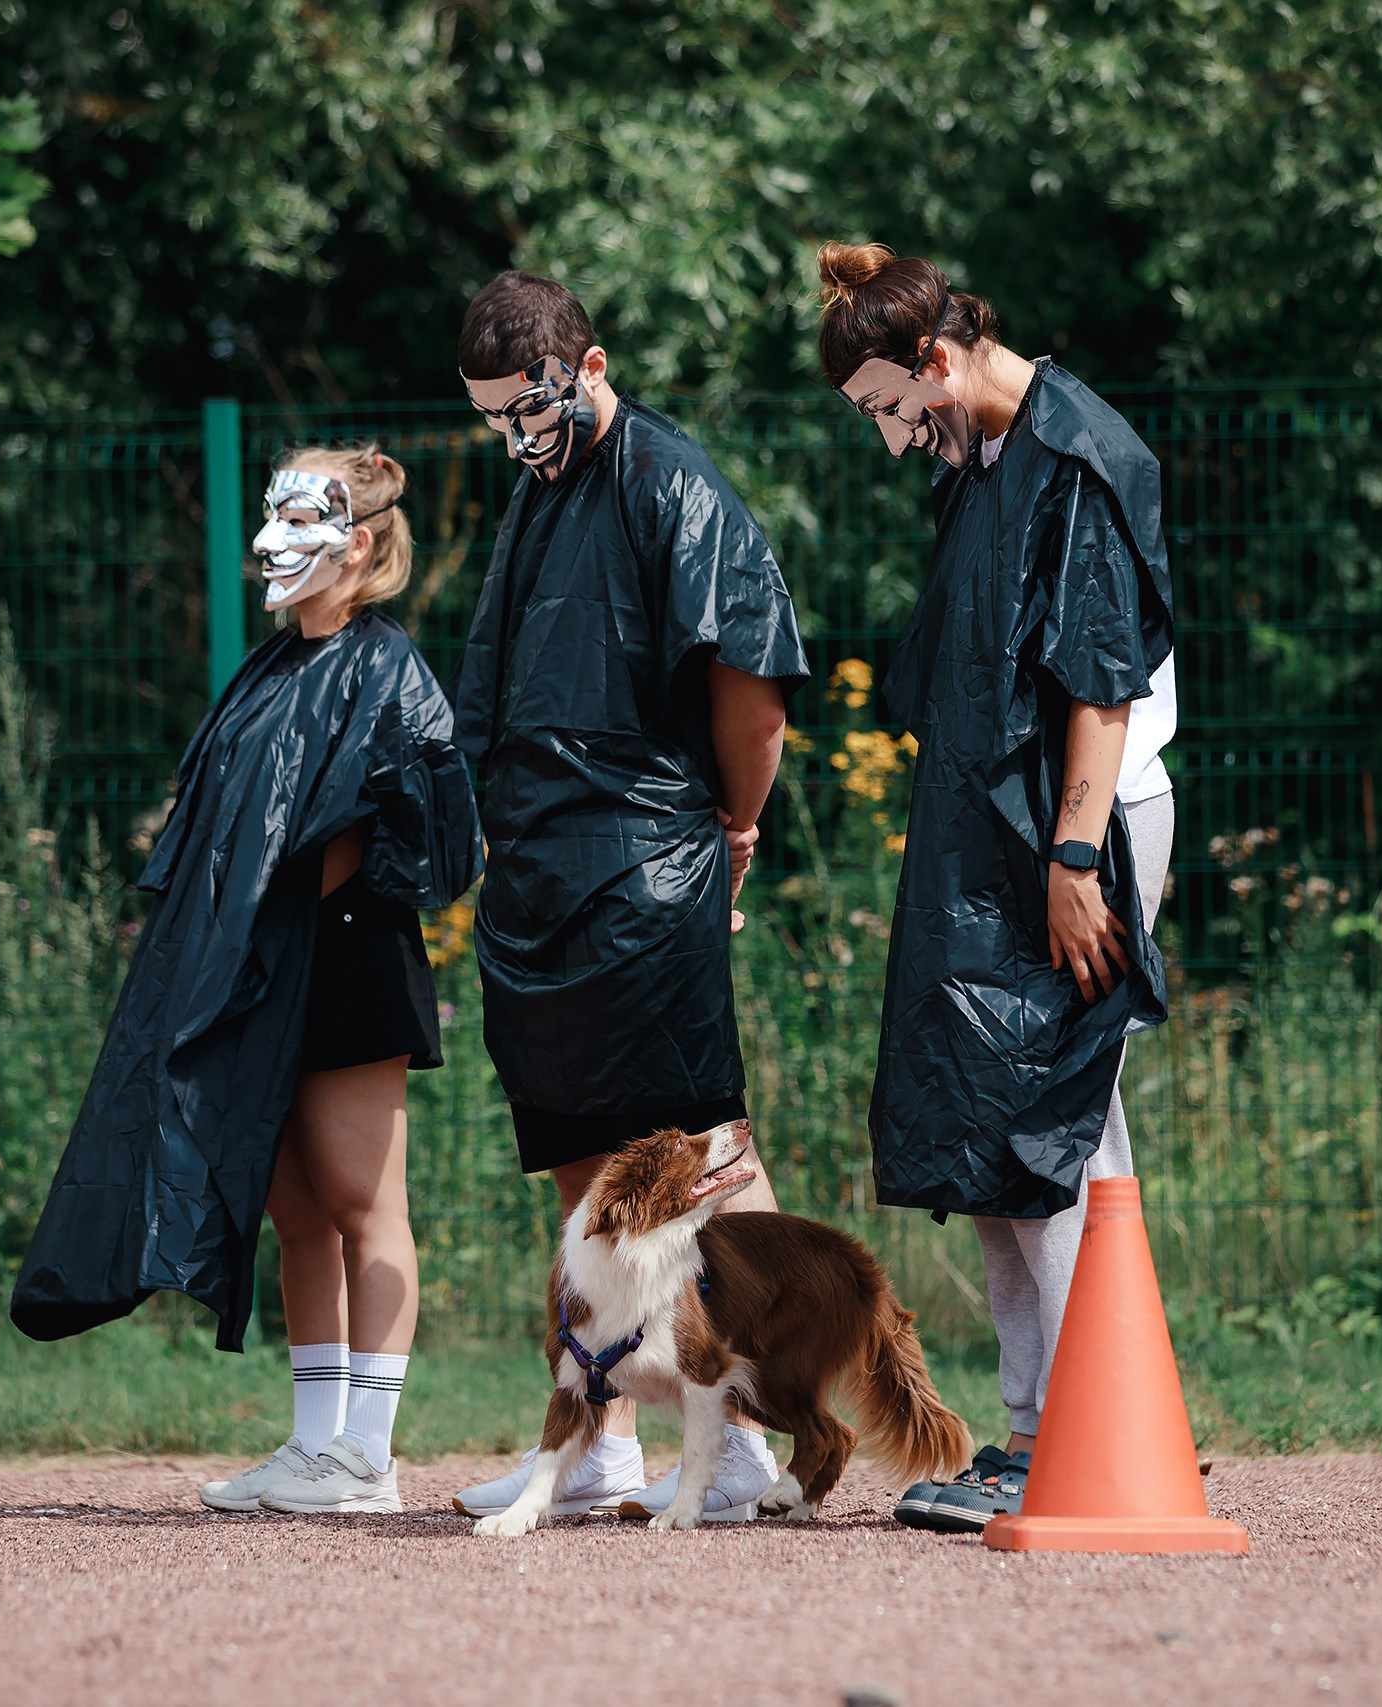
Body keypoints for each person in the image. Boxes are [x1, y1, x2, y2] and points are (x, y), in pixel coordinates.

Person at [10, 444, 482, 1517]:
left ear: (356, 544)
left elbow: (419, 830)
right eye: (266, 515)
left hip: (347, 962)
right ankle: (313, 1444)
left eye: (296, 517)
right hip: (261, 976)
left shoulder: (384, 663)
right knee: (294, 1211)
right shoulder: (270, 666)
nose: (268, 540)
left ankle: (367, 1454)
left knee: (366, 1203)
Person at [814, 241, 1177, 1534]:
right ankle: (1032, 1432)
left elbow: (1100, 685)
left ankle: (1099, 1436)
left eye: (888, 404)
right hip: (993, 828)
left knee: (1060, 1118)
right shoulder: (982, 458)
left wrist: (1077, 862)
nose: (889, 433)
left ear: (939, 357)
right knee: (991, 1123)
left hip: (1077, 827)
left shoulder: (1075, 454)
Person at [445, 271, 810, 1524]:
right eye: (493, 415)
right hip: (540, 871)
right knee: (575, 1156)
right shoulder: (536, 489)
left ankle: (752, 1447)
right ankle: (594, 1446)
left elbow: (751, 688)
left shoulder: (672, 482)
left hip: (651, 861)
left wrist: (738, 830)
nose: (517, 434)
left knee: (701, 1154)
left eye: (532, 405)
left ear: (589, 367)